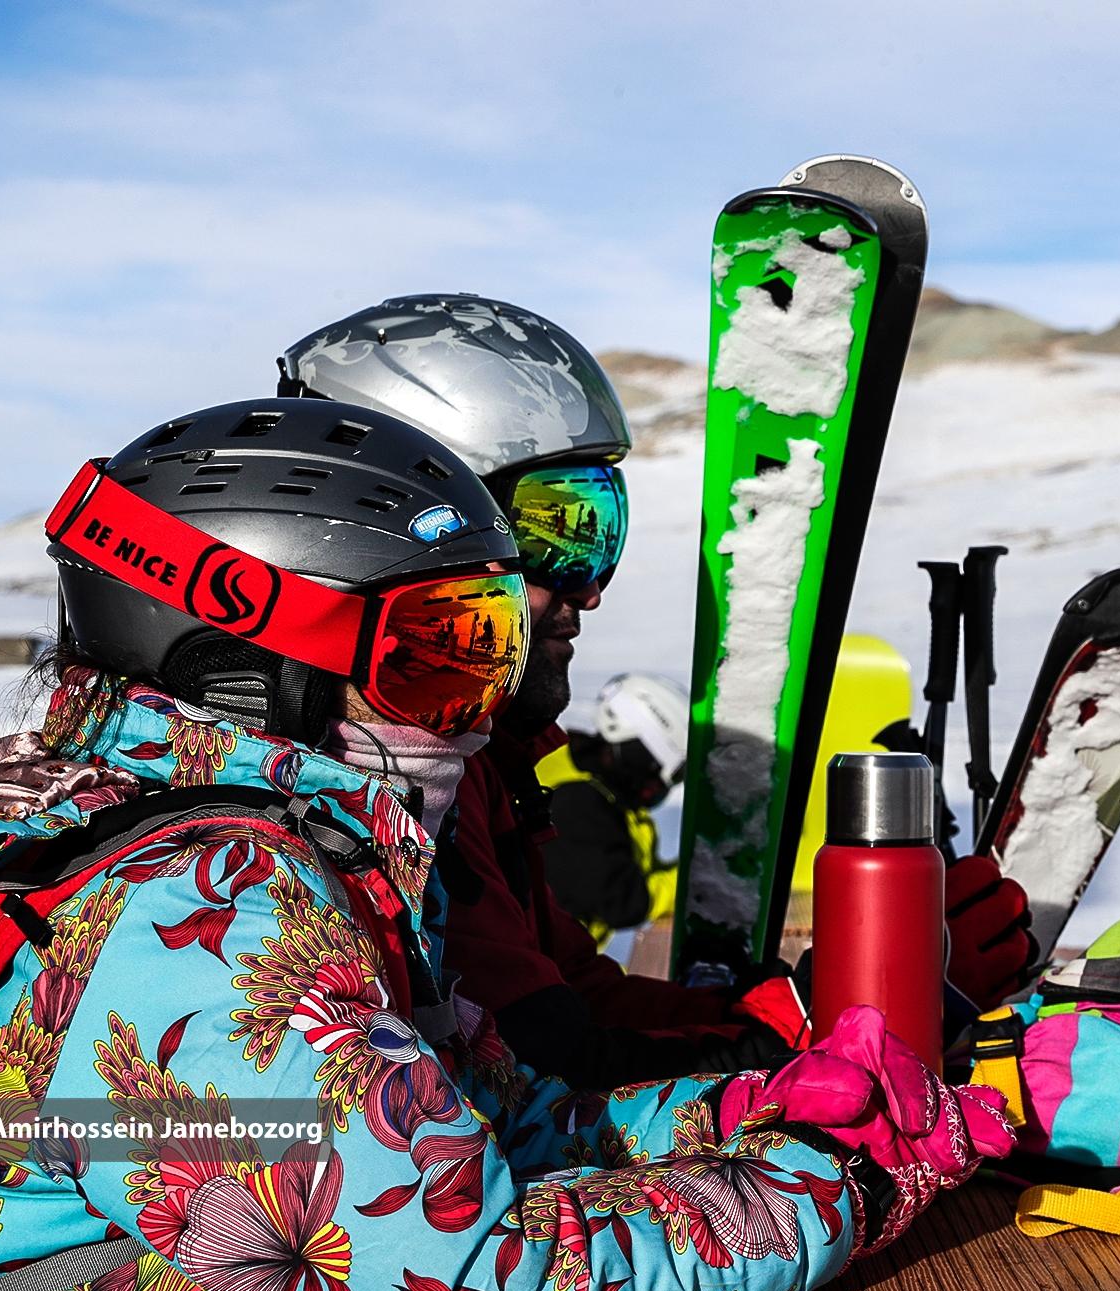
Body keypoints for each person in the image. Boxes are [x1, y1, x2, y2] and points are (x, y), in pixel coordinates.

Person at [0, 398, 1010, 1291]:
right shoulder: (201, 920)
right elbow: (481, 1290)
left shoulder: (239, 840)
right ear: (254, 665)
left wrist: (748, 1108)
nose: (477, 713)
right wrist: (846, 1176)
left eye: (492, 647)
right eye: (441, 656)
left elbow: (493, 1121)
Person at [278, 296, 1041, 1089]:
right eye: (554, 535)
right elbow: (557, 1086)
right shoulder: (362, 779)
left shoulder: (470, 768)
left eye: (598, 528)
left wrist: (803, 1009)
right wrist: (850, 1017)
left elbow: (584, 1003)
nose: (591, 589)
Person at [535, 671, 686, 947]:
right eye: (655, 775)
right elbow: (623, 902)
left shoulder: (602, 792)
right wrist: (694, 882)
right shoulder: (576, 803)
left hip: (558, 959)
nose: (655, 790)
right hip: (537, 963)